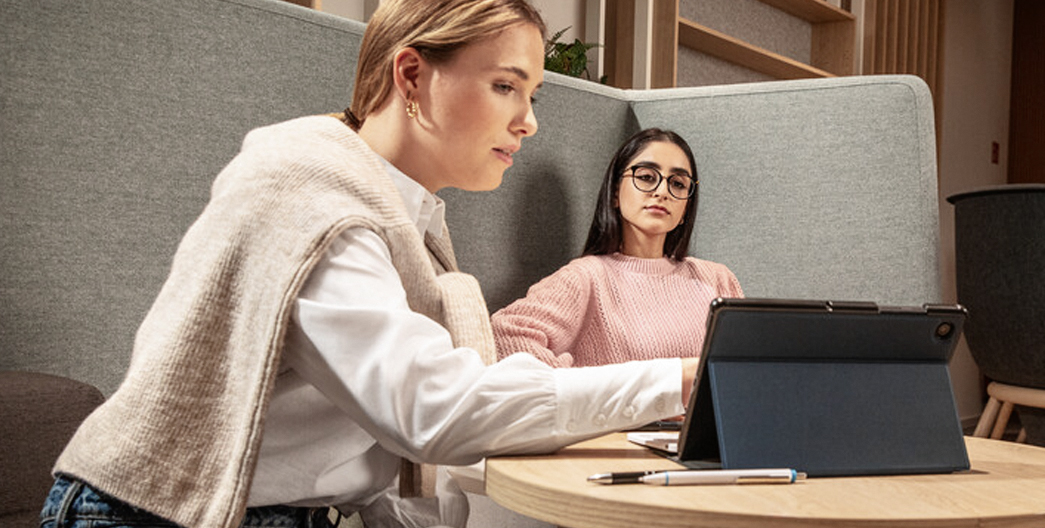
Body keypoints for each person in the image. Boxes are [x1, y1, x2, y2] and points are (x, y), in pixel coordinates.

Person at [42, 2, 698, 528]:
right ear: (410, 75)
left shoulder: (407, 221)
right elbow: (433, 411)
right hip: (149, 512)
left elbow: (382, 434)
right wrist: (681, 382)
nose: (527, 123)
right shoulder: (311, 201)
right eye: (505, 87)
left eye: (532, 97)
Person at [491, 128, 743, 368]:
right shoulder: (586, 278)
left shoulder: (717, 279)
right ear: (614, 192)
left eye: (677, 184)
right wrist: (590, 393)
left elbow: (747, 365)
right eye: (646, 177)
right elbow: (504, 338)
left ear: (686, 207)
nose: (662, 191)